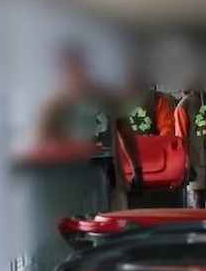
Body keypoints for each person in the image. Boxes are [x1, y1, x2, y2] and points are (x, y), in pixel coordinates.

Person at [36, 47, 144, 211]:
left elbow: (126, 133)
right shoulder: (55, 106)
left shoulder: (106, 97)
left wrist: (137, 167)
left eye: (78, 67)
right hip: (73, 181)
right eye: (70, 69)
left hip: (111, 180)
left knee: (115, 225)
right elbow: (42, 146)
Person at [175, 88, 206, 208]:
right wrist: (187, 161)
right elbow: (180, 137)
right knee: (198, 195)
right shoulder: (184, 105)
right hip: (196, 159)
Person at [124, 71, 175, 137]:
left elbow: (167, 129)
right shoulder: (116, 100)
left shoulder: (157, 98)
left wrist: (158, 143)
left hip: (153, 146)